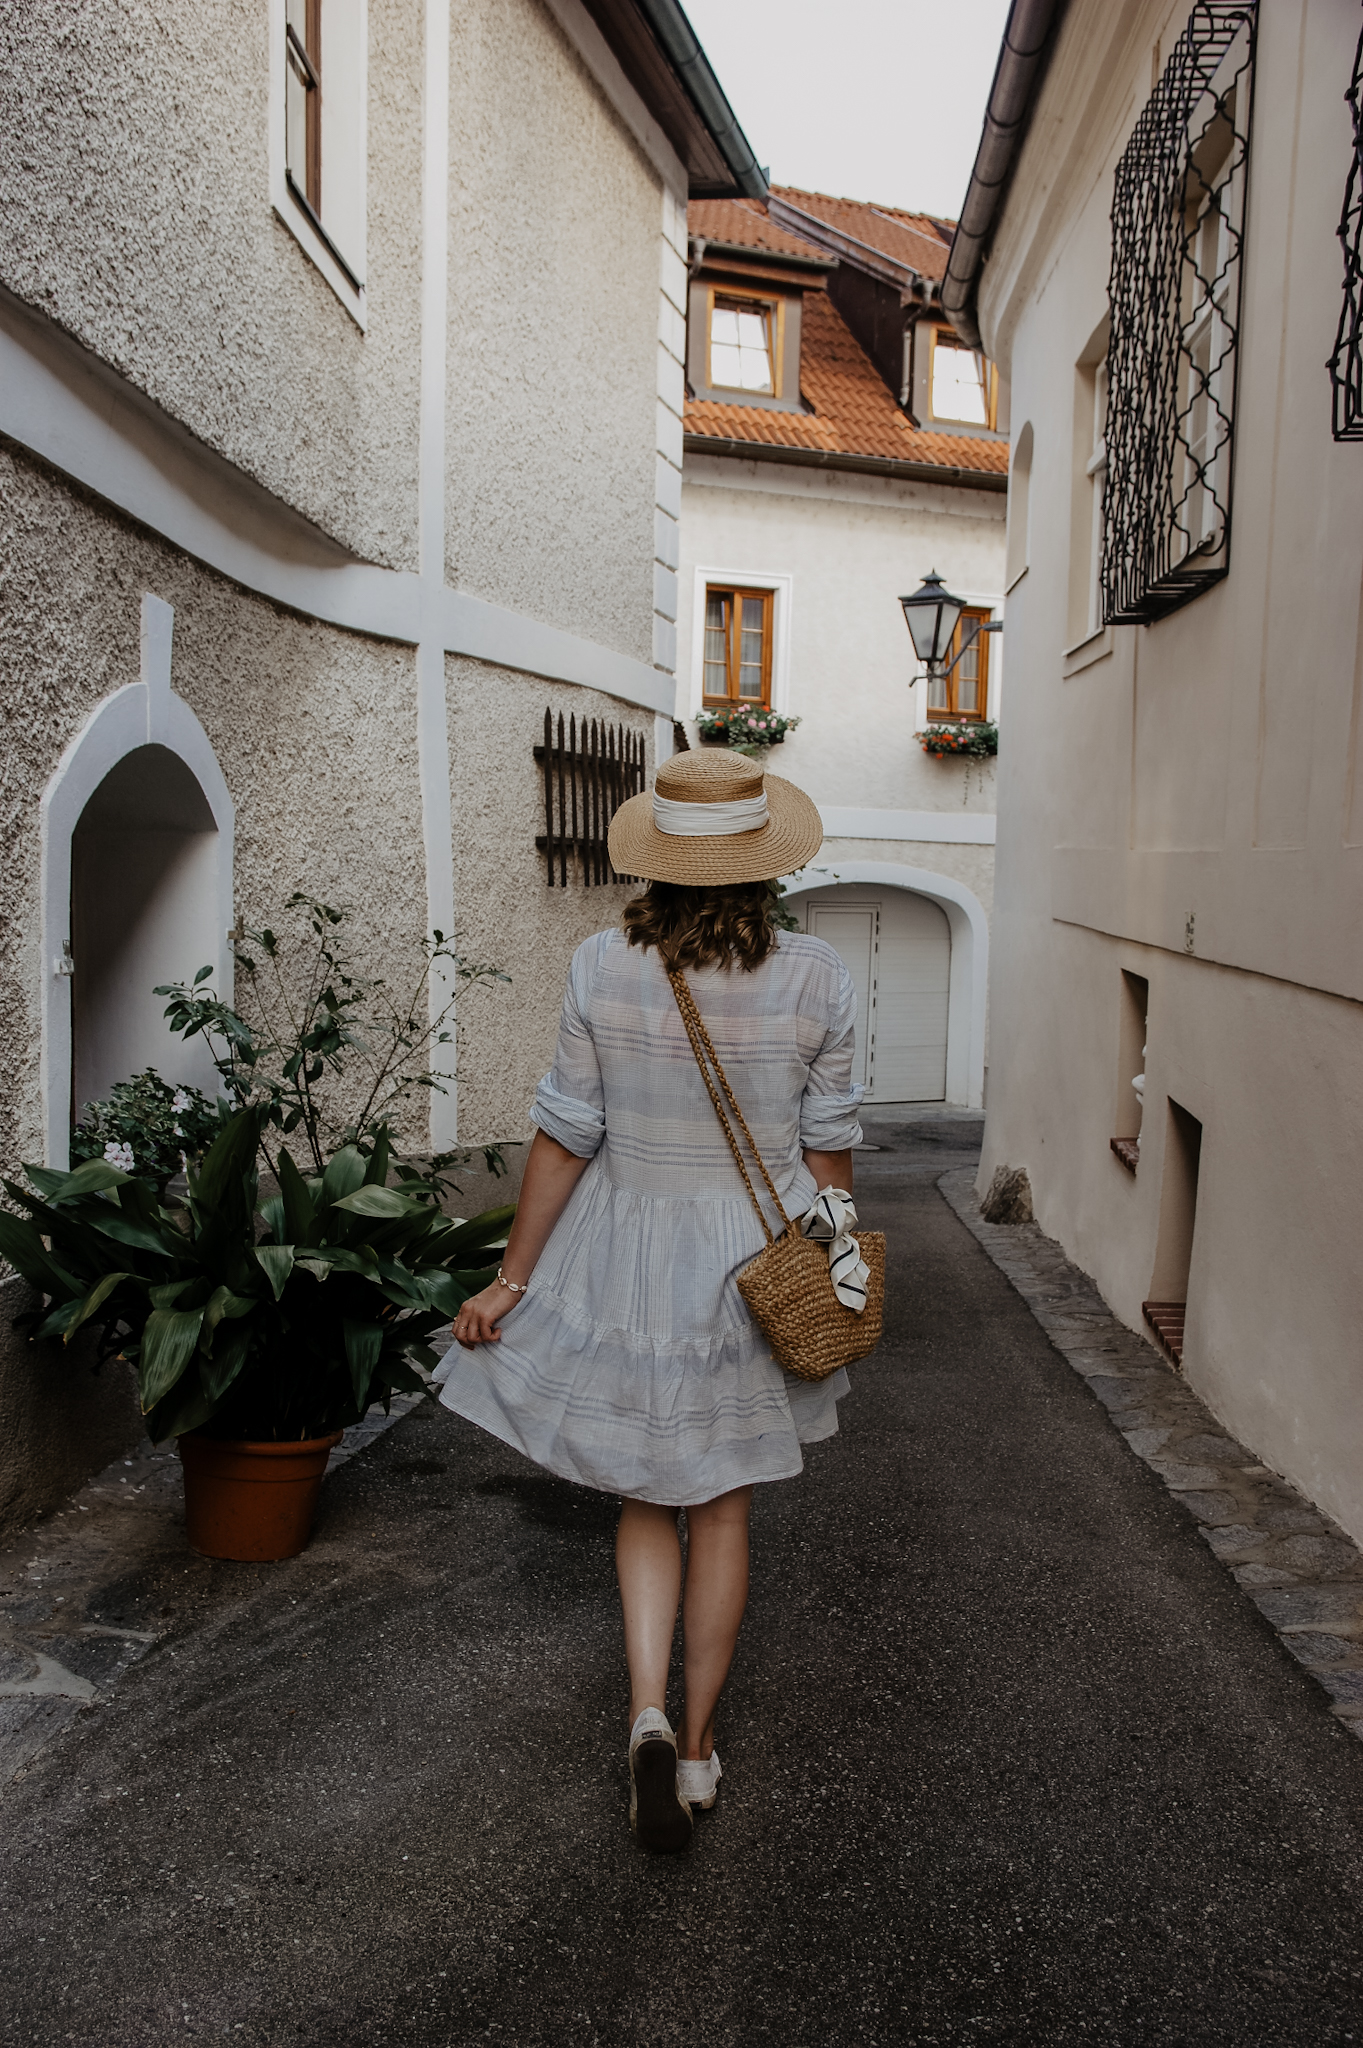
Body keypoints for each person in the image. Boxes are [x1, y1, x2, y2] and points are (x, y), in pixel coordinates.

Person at [436, 748, 863, 1852]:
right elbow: (829, 1156)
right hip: (753, 1260)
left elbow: (565, 1135)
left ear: (658, 861)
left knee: (641, 1494)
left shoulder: (599, 964)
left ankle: (645, 1707)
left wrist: (510, 1279)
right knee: (721, 1501)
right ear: (765, 865)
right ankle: (702, 1747)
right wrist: (841, 1266)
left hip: (624, 1248)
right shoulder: (818, 977)